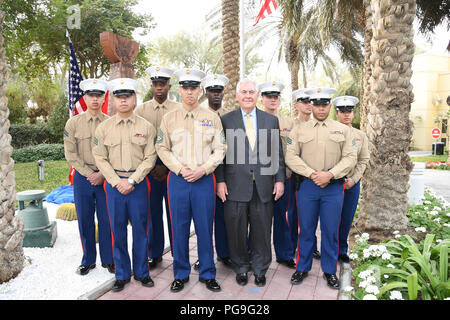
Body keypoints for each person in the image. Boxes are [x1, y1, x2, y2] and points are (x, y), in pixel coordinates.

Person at [155, 68, 227, 293]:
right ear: (179, 90)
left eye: (193, 88)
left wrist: (204, 170)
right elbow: (161, 147)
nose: (189, 92)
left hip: (204, 180)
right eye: (185, 88)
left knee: (205, 228)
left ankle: (207, 272)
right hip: (178, 180)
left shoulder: (212, 118)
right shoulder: (169, 118)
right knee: (179, 228)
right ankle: (181, 273)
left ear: (200, 91)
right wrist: (179, 169)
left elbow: (220, 148)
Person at [215, 79, 285, 287]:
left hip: (263, 186)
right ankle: (242, 267)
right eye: (243, 92)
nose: (247, 95)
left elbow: (277, 154)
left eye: (251, 92)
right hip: (235, 185)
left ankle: (260, 268)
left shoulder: (270, 121)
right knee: (236, 229)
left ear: (257, 96)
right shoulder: (226, 120)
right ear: (237, 95)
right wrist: (220, 181)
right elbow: (220, 154)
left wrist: (280, 179)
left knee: (262, 229)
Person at [285, 87, 357, 289]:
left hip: (333, 188)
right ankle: (302, 267)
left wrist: (330, 174)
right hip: (308, 186)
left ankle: (329, 271)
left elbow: (350, 157)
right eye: (316, 104)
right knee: (305, 229)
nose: (321, 108)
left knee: (330, 230)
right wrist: (311, 174)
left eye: (325, 104)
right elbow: (291, 156)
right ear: (311, 105)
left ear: (330, 105)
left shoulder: (342, 129)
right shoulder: (299, 129)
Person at [92, 78, 157, 292]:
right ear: (113, 99)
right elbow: (100, 157)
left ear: (135, 98)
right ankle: (121, 274)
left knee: (141, 230)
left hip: (137, 185)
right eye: (119, 97)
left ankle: (141, 272)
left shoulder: (146, 127)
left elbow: (150, 157)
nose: (123, 100)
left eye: (127, 96)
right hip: (114, 186)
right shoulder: (104, 128)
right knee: (116, 230)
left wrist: (131, 180)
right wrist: (115, 181)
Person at [64, 78, 114, 276]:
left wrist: (102, 174)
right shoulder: (73, 123)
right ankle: (88, 260)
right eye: (91, 95)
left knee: (106, 219)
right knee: (84, 219)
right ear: (85, 97)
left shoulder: (111, 123)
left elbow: (113, 152)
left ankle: (109, 259)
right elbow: (70, 153)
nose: (95, 99)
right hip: (83, 178)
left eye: (98, 95)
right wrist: (89, 174)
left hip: (105, 177)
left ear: (103, 98)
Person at [135, 66, 180, 269]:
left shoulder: (179, 109)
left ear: (169, 86)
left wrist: (169, 167)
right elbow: (137, 142)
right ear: (152, 86)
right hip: (150, 170)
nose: (159, 88)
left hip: (172, 170)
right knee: (152, 214)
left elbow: (181, 142)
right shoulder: (140, 110)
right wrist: (152, 166)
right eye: (155, 84)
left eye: (163, 84)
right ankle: (155, 253)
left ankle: (178, 253)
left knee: (175, 214)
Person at [192, 74, 232, 272]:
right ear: (206, 93)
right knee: (204, 220)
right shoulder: (197, 115)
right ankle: (204, 257)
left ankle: (224, 254)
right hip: (204, 173)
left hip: (226, 174)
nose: (216, 95)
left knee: (224, 217)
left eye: (219, 91)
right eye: (212, 91)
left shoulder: (231, 116)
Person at [258, 81, 296, 269]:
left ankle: (284, 254)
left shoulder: (289, 123)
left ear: (279, 100)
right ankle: (254, 253)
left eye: (275, 97)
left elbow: (293, 150)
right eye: (268, 96)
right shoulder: (253, 119)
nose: (272, 100)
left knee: (282, 218)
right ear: (262, 99)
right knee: (258, 219)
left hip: (284, 178)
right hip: (260, 179)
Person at [332, 96, 370, 263]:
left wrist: (354, 180)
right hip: (333, 183)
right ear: (337, 113)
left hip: (352, 184)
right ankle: (328, 249)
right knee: (330, 218)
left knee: (346, 218)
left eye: (349, 111)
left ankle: (341, 250)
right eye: (343, 111)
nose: (346, 114)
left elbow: (363, 160)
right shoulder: (330, 131)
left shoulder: (360, 135)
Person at [292, 88, 321, 260]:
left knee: (312, 216)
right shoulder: (291, 125)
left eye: (311, 102)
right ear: (297, 105)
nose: (308, 105)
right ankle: (294, 246)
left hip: (314, 177)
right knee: (295, 215)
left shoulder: (318, 123)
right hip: (295, 176)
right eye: (304, 102)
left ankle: (312, 247)